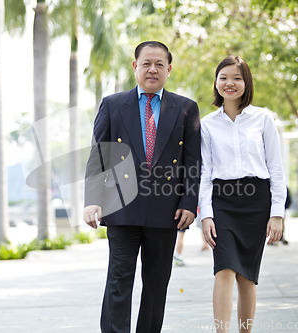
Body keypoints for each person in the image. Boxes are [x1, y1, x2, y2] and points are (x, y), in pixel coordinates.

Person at [83, 41, 201, 333]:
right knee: (118, 280)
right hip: (121, 208)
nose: (152, 69)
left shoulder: (186, 108)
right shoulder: (113, 104)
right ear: (135, 66)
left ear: (169, 69)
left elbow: (193, 161)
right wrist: (92, 200)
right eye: (146, 63)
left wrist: (189, 202)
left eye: (159, 64)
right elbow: (99, 153)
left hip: (167, 211)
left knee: (156, 284)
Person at [199, 56, 286, 333]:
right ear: (216, 82)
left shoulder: (263, 118)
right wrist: (206, 215)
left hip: (256, 201)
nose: (230, 83)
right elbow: (203, 173)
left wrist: (277, 213)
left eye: (237, 78)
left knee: (247, 277)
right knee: (223, 269)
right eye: (224, 77)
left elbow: (276, 168)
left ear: (246, 82)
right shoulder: (207, 124)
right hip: (222, 201)